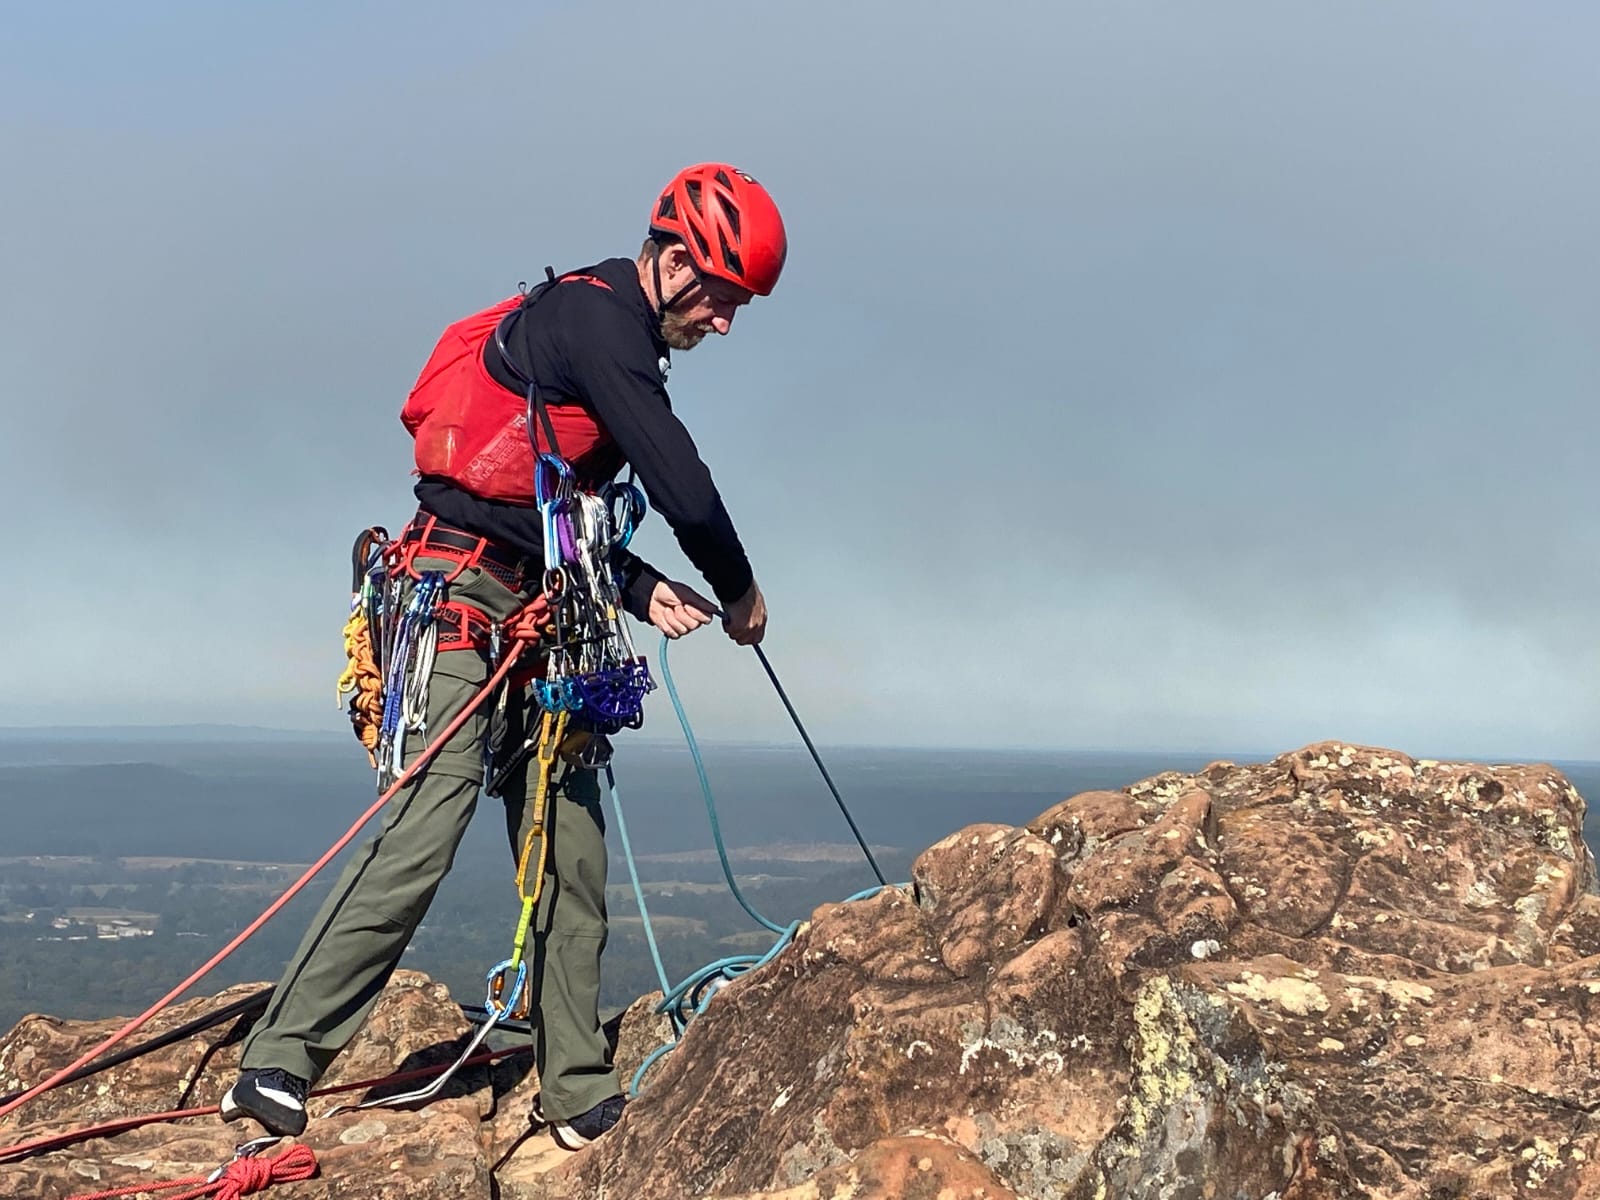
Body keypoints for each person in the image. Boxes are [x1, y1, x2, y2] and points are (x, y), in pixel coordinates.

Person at [221, 162, 786, 1150]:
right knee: (423, 826)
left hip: (538, 604)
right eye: (725, 298)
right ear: (677, 261)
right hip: (457, 597)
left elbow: (548, 504)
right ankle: (277, 1061)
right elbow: (682, 484)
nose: (727, 324)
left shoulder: (606, 338)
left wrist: (630, 580)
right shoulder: (599, 322)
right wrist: (741, 594)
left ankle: (571, 1084)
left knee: (570, 832)